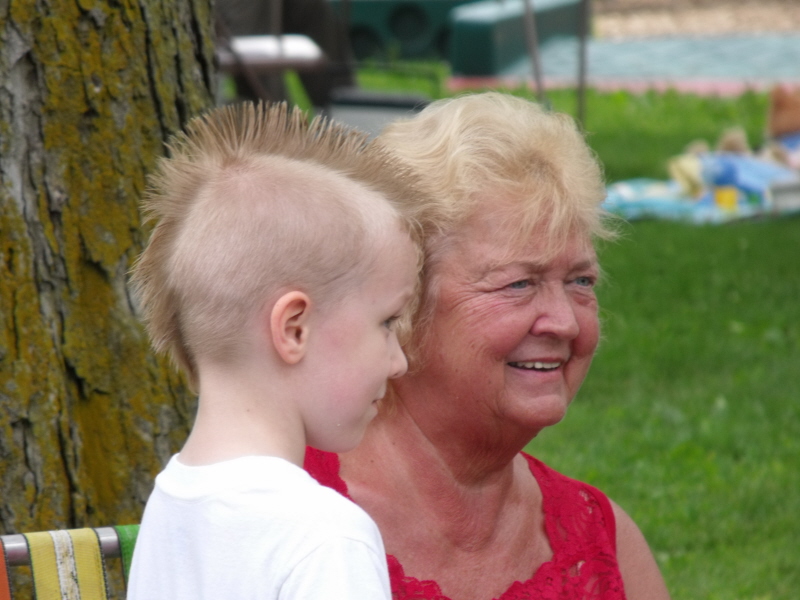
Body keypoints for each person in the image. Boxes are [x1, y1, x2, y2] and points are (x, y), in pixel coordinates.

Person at [303, 92, 672, 600]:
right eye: (519, 283)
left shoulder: (603, 547)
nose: (565, 322)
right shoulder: (292, 522)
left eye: (580, 281)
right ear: (404, 305)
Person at [126, 101, 427, 599]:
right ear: (293, 329)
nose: (399, 361)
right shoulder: (326, 539)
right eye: (387, 322)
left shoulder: (172, 503)